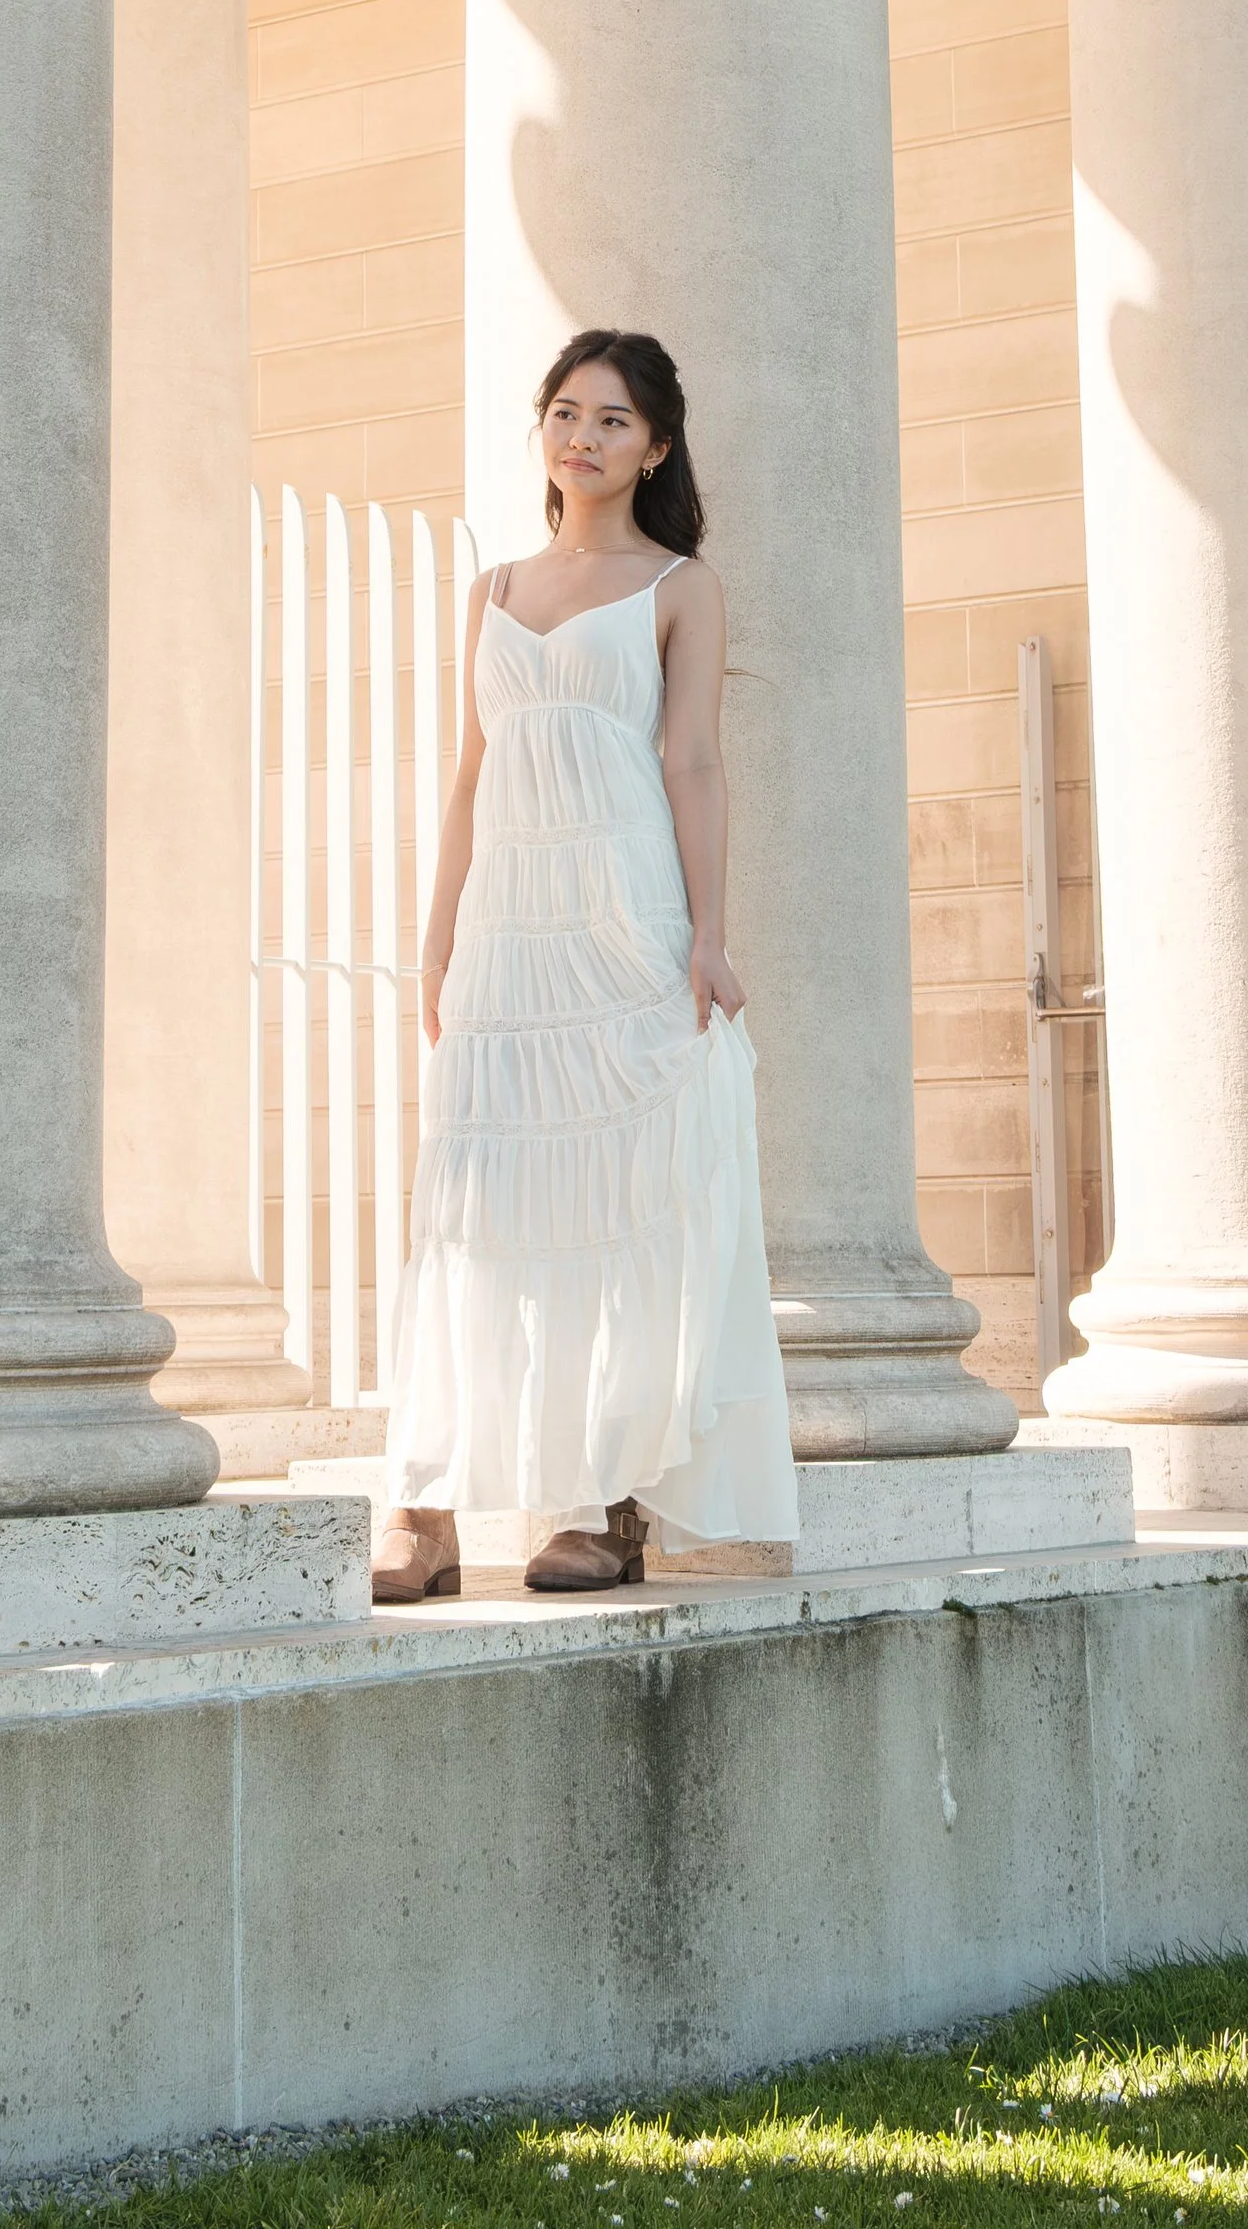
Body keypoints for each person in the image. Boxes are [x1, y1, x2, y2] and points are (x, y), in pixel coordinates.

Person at [371, 329, 799, 1601]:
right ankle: (427, 1508)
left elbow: (694, 762)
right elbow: (469, 769)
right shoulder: (492, 588)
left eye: (614, 419)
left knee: (624, 1200)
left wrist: (708, 935)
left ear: (654, 445)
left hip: (623, 914)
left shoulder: (678, 584)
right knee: (473, 1203)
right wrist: (437, 933)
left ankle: (607, 1506)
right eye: (566, 411)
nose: (584, 436)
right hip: (510, 926)